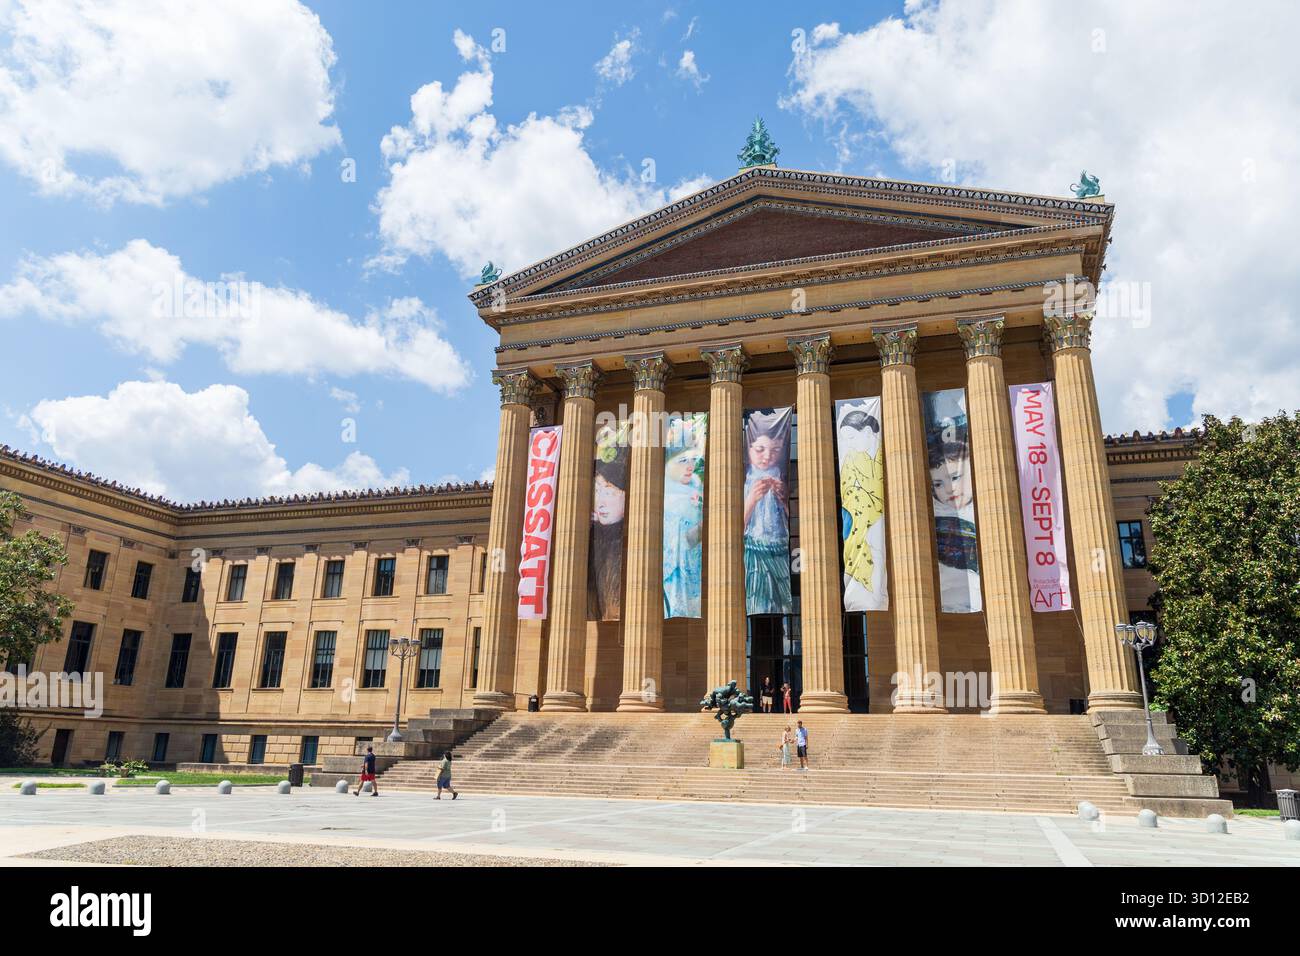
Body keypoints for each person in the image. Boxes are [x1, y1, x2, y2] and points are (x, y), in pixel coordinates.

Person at [742, 409, 793, 615]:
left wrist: (785, 501)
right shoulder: (744, 482)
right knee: (756, 599)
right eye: (760, 450)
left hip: (781, 549)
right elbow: (734, 529)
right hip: (754, 550)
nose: (767, 456)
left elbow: (798, 525)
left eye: (775, 450)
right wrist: (751, 501)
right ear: (749, 449)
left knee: (783, 600)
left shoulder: (783, 478)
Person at [662, 430, 705, 618]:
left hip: (695, 582)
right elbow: (679, 543)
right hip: (673, 582)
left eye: (693, 459)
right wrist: (703, 528)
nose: (690, 466)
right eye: (683, 460)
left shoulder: (696, 487)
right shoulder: (667, 496)